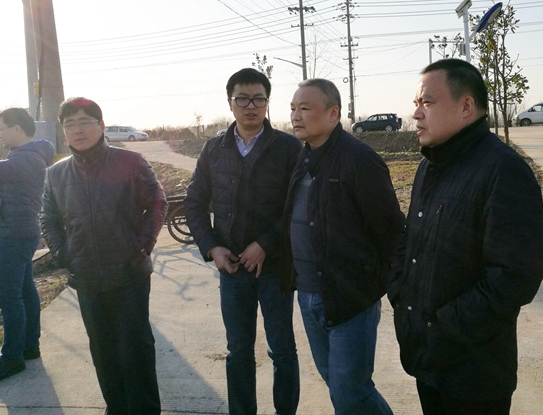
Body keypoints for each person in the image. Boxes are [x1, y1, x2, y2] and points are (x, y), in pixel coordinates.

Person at [388, 59, 543, 415]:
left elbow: (515, 277)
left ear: (466, 106)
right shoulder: (430, 164)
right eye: (416, 103)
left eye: (427, 103)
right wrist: (400, 293)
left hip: (475, 373)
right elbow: (410, 239)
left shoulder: (504, 170)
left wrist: (440, 327)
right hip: (427, 358)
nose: (416, 114)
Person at [184, 68, 302, 415]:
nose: (251, 106)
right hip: (232, 269)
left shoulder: (287, 147)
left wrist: (266, 244)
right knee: (238, 351)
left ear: (267, 103)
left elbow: (297, 206)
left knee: (282, 350)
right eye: (243, 99)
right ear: (230, 102)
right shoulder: (214, 149)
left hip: (275, 268)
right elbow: (194, 202)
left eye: (259, 99)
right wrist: (212, 247)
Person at [40, 97, 167, 414]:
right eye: (70, 124)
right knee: (103, 351)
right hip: (86, 277)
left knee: (136, 349)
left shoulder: (130, 162)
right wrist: (64, 254)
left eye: (85, 122)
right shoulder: (56, 174)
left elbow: (157, 202)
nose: (77, 130)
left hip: (129, 272)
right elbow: (48, 219)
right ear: (64, 132)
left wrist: (142, 243)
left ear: (101, 125)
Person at [285, 78, 404, 415]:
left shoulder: (359, 159)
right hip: (308, 293)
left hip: (350, 297)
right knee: (336, 383)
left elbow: (391, 231)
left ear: (333, 113)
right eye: (292, 108)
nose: (295, 116)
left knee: (351, 390)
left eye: (305, 108)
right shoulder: (304, 156)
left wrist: (376, 284)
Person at [0, 108, 54, 385]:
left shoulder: (25, 159)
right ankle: (28, 346)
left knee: (7, 297)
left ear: (17, 129)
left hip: (11, 236)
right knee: (24, 291)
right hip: (16, 233)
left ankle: (12, 357)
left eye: (1, 128)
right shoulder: (26, 157)